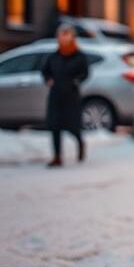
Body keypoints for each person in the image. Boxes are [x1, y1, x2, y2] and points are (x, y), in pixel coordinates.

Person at [42, 23, 89, 168]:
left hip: (71, 96)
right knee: (54, 126)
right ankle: (57, 157)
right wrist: (48, 79)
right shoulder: (53, 56)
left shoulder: (79, 56)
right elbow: (45, 71)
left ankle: (80, 142)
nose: (63, 38)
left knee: (72, 126)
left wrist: (77, 81)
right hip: (56, 95)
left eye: (66, 35)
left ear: (72, 37)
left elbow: (85, 73)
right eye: (61, 35)